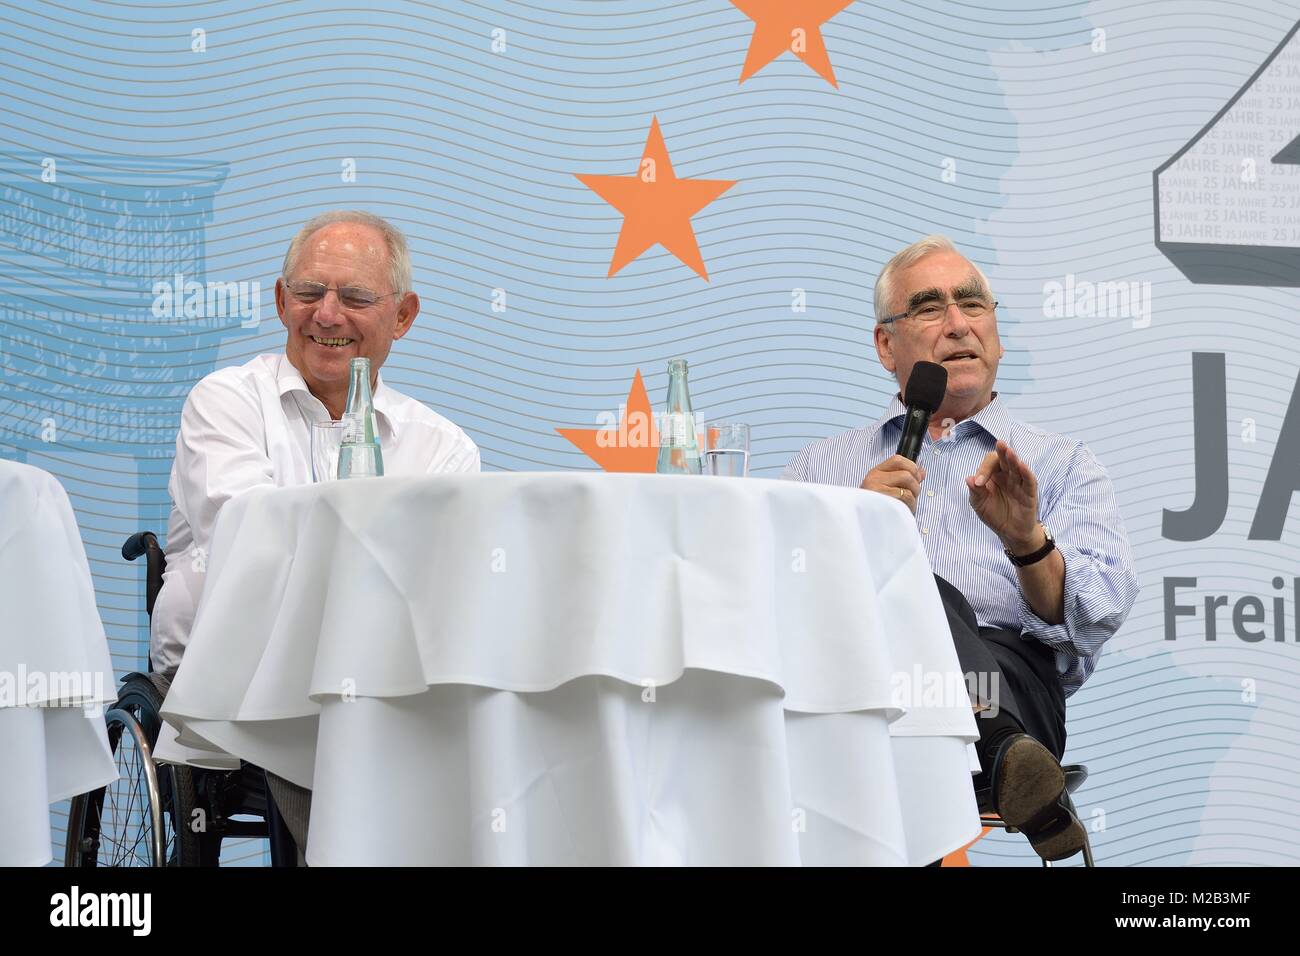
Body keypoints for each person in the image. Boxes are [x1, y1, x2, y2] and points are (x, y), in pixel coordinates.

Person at [782, 235, 1138, 862]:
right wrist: (852, 529)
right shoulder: (824, 467)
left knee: (929, 607)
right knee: (922, 595)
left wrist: (1027, 542)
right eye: (927, 307)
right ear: (886, 345)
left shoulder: (1059, 463)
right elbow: (777, 608)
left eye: (972, 304)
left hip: (1014, 683)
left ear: (995, 331)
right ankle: (1001, 756)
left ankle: (1000, 745)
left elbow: (1101, 610)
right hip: (864, 694)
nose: (956, 324)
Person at [151, 209, 480, 861]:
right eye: (309, 292)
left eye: (355, 297)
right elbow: (252, 540)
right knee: (349, 726)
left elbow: (449, 585)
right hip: (237, 669)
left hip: (391, 680)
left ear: (404, 315)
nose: (327, 315)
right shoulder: (224, 403)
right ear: (281, 301)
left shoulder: (443, 448)